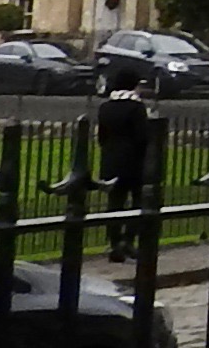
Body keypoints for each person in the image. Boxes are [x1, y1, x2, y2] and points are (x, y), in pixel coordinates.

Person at [88, 53, 164, 264]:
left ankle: (114, 244)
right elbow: (142, 137)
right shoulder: (136, 107)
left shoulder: (105, 107)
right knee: (138, 202)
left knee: (114, 204)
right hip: (133, 162)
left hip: (110, 161)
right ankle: (128, 240)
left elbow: (101, 137)